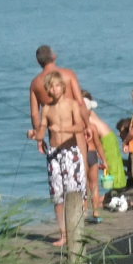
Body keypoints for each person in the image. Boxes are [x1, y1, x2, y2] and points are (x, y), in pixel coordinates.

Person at [27, 44, 92, 202]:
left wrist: (39, 138)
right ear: (54, 56)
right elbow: (80, 103)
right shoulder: (68, 74)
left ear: (39, 62)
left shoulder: (35, 83)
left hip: (53, 137)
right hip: (74, 132)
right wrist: (87, 125)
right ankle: (82, 211)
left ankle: (64, 215)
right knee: (80, 174)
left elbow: (35, 113)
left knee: (58, 184)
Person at [37, 72, 87, 247]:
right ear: (48, 89)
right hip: (54, 154)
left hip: (70, 151)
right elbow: (42, 130)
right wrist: (35, 134)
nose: (55, 89)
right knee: (57, 195)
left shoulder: (72, 104)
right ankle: (63, 234)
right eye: (51, 87)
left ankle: (77, 232)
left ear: (63, 87)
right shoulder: (46, 108)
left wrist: (63, 129)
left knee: (75, 191)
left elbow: (80, 126)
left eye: (57, 85)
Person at [84, 97, 125, 214]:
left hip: (106, 139)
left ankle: (114, 194)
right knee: (115, 166)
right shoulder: (90, 114)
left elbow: (94, 139)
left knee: (112, 167)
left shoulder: (87, 118)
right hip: (109, 136)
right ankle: (113, 193)